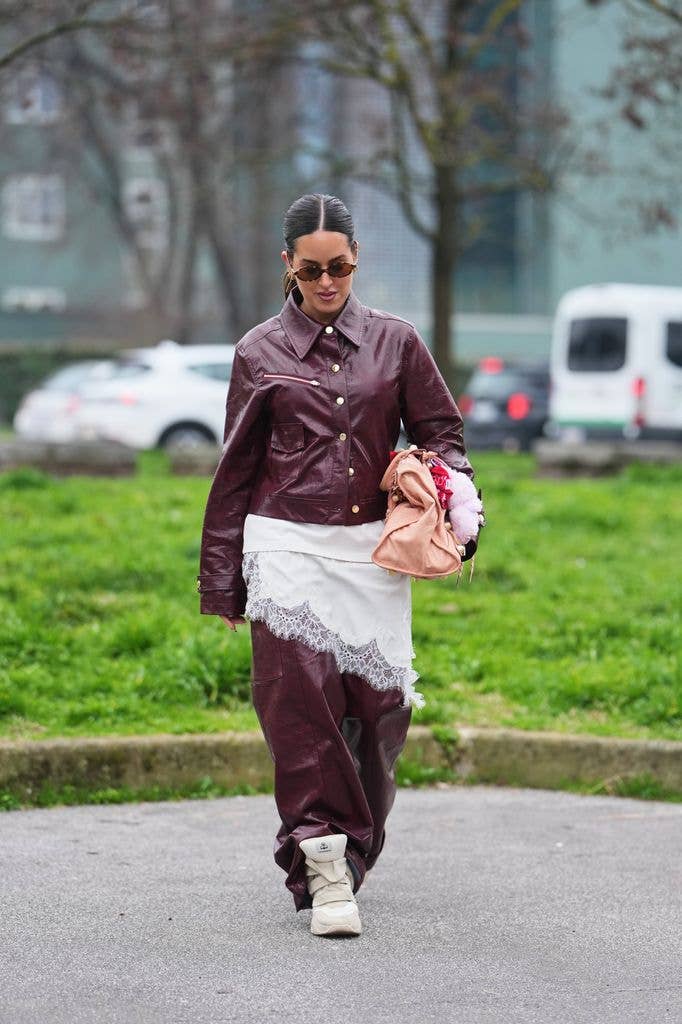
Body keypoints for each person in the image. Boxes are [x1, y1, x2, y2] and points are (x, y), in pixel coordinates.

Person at [197, 193, 481, 938]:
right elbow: (235, 469)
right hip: (284, 544)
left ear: (357, 262)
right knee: (302, 707)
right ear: (288, 265)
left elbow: (442, 433)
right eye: (312, 270)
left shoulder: (398, 342)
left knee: (379, 716)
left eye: (341, 268)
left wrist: (453, 498)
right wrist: (223, 580)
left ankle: (354, 851)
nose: (327, 283)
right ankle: (321, 860)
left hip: (371, 552)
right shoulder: (258, 352)